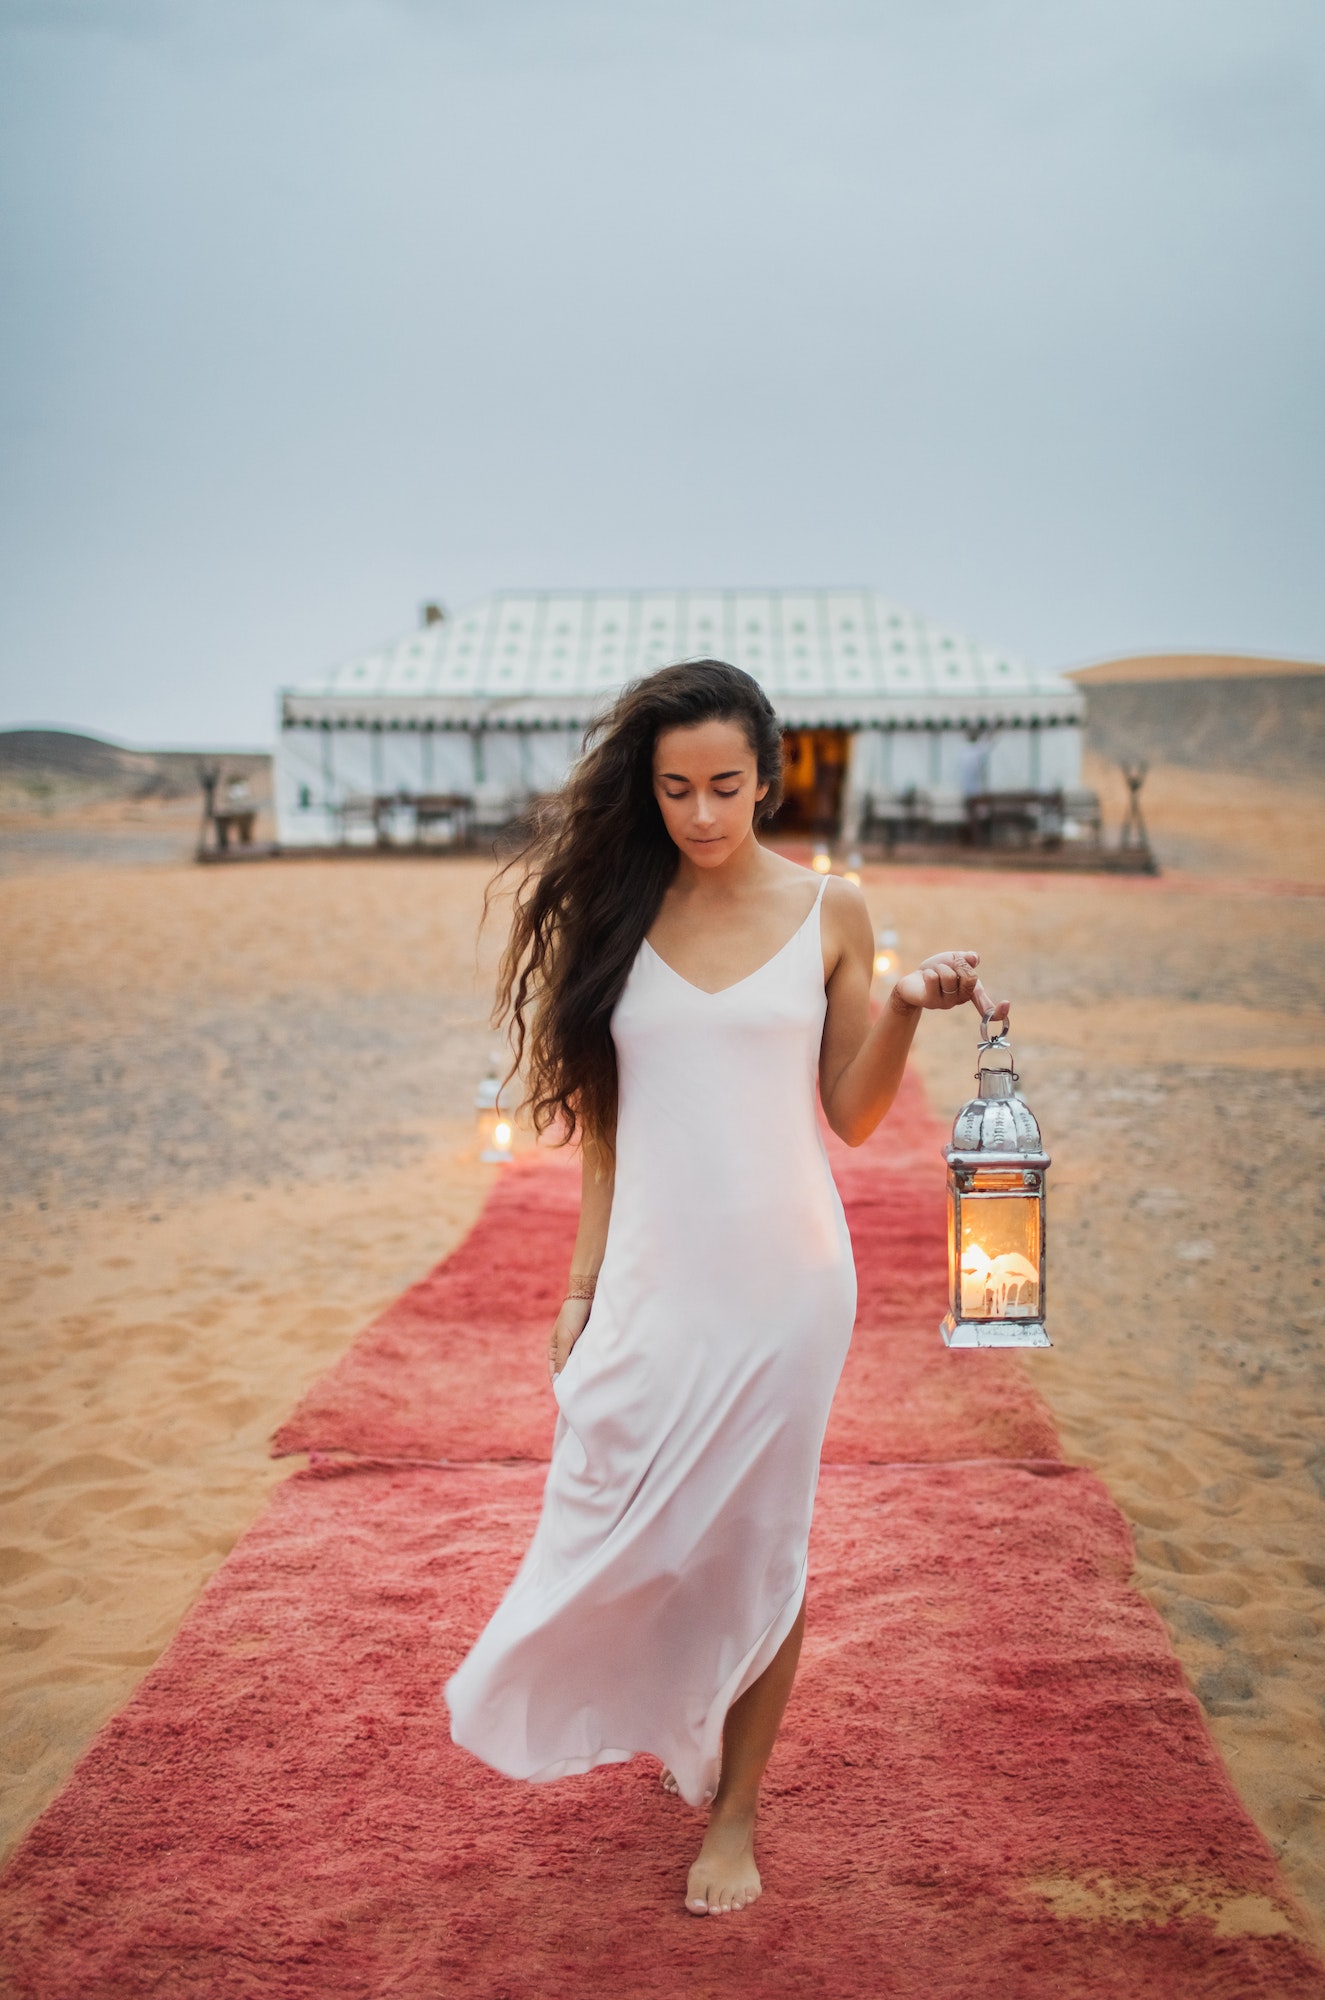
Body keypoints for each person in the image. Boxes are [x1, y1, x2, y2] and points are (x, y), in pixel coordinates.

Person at [445, 660, 1005, 1917]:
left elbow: (851, 1114)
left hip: (786, 1281)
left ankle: (736, 1809)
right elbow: (601, 1124)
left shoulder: (832, 909)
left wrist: (908, 1005)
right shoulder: (614, 910)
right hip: (653, 1271)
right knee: (619, 1512)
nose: (700, 814)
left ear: (770, 775)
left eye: (726, 787)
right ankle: (678, 1710)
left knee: (758, 1541)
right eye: (675, 788)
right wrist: (581, 1284)